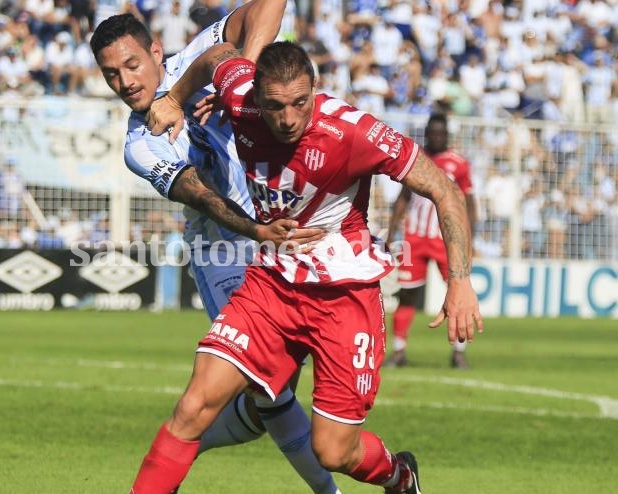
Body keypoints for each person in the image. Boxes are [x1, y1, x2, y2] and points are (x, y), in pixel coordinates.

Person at [137, 41, 483, 493]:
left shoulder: (354, 131)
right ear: (255, 95)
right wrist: (174, 98)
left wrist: (459, 282)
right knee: (193, 408)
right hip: (272, 285)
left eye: (300, 102)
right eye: (275, 105)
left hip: (344, 295)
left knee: (333, 451)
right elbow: (218, 53)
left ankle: (399, 476)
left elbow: (445, 190)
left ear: (314, 89)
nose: (287, 117)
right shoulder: (239, 93)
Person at [90, 7, 340, 494]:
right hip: (224, 251)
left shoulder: (189, 60)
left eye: (133, 65)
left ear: (157, 52)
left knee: (273, 383)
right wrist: (257, 230)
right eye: (111, 74)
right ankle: (326, 490)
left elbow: (246, 28)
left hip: (285, 228)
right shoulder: (139, 145)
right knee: (271, 388)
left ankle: (191, 440)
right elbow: (200, 194)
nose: (125, 81)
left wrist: (238, 91)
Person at [386, 112, 477, 369]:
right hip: (414, 239)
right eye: (432, 133)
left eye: (440, 133)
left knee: (459, 291)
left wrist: (470, 237)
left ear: (447, 134)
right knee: (407, 295)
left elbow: (469, 202)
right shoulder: (417, 159)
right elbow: (403, 197)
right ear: (426, 133)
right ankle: (399, 350)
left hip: (445, 240)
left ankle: (459, 351)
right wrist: (393, 231)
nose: (436, 137)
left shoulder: (458, 164)